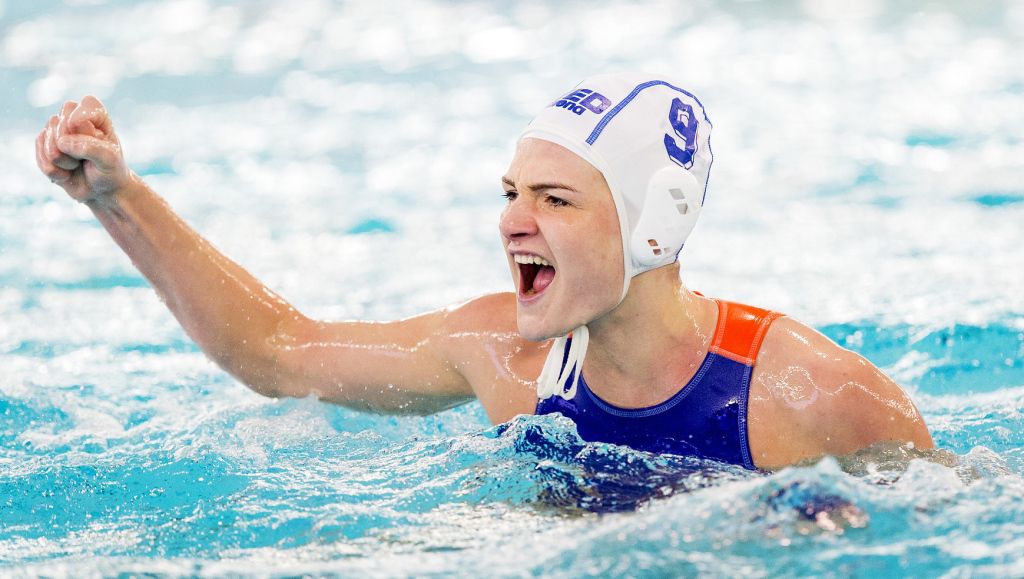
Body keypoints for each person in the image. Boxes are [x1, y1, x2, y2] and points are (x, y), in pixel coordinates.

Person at [35, 73, 933, 470]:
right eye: (511, 192)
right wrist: (117, 197)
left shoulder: (813, 397)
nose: (511, 221)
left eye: (555, 198)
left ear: (655, 225)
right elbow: (278, 350)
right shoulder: (501, 354)